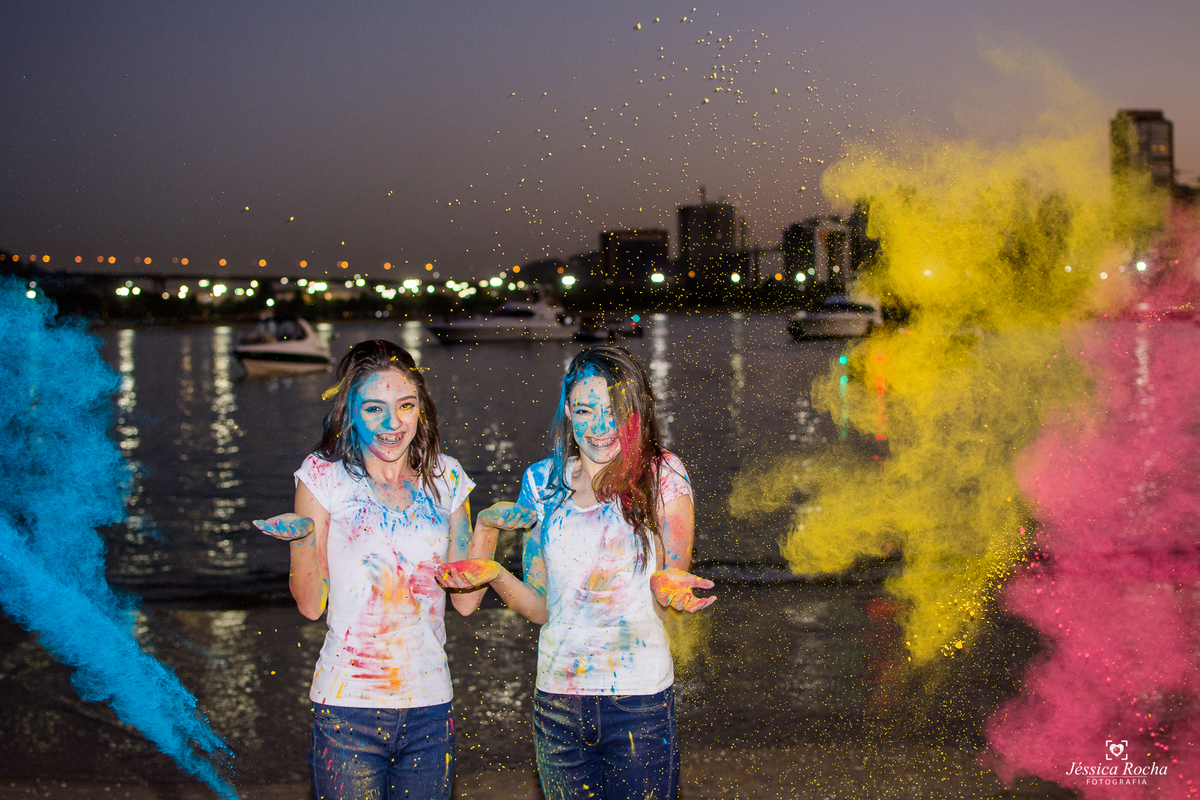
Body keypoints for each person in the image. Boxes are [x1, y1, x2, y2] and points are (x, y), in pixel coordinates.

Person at [438, 345, 715, 800]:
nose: (601, 427)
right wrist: (493, 574)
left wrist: (671, 589)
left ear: (636, 410)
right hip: (558, 705)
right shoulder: (541, 483)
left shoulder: (663, 475)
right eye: (585, 410)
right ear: (568, 411)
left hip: (639, 702)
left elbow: (668, 601)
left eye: (614, 412)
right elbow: (542, 609)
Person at [253, 340, 524, 800]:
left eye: (405, 405)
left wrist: (486, 528)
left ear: (422, 408)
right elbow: (311, 605)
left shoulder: (448, 477)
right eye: (374, 408)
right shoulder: (323, 475)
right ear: (351, 413)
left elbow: (465, 601)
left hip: (431, 707)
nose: (393, 422)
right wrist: (301, 539)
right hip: (346, 707)